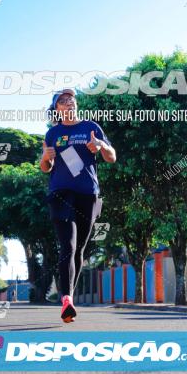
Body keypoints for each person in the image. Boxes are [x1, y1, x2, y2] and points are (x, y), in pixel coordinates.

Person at [40, 89, 116, 323]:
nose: (68, 102)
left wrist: (101, 146)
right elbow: (46, 167)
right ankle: (67, 300)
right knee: (68, 246)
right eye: (63, 101)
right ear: (57, 109)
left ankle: (68, 295)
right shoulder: (53, 133)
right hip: (61, 193)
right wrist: (45, 157)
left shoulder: (91, 127)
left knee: (80, 249)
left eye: (71, 99)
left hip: (88, 194)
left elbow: (112, 157)